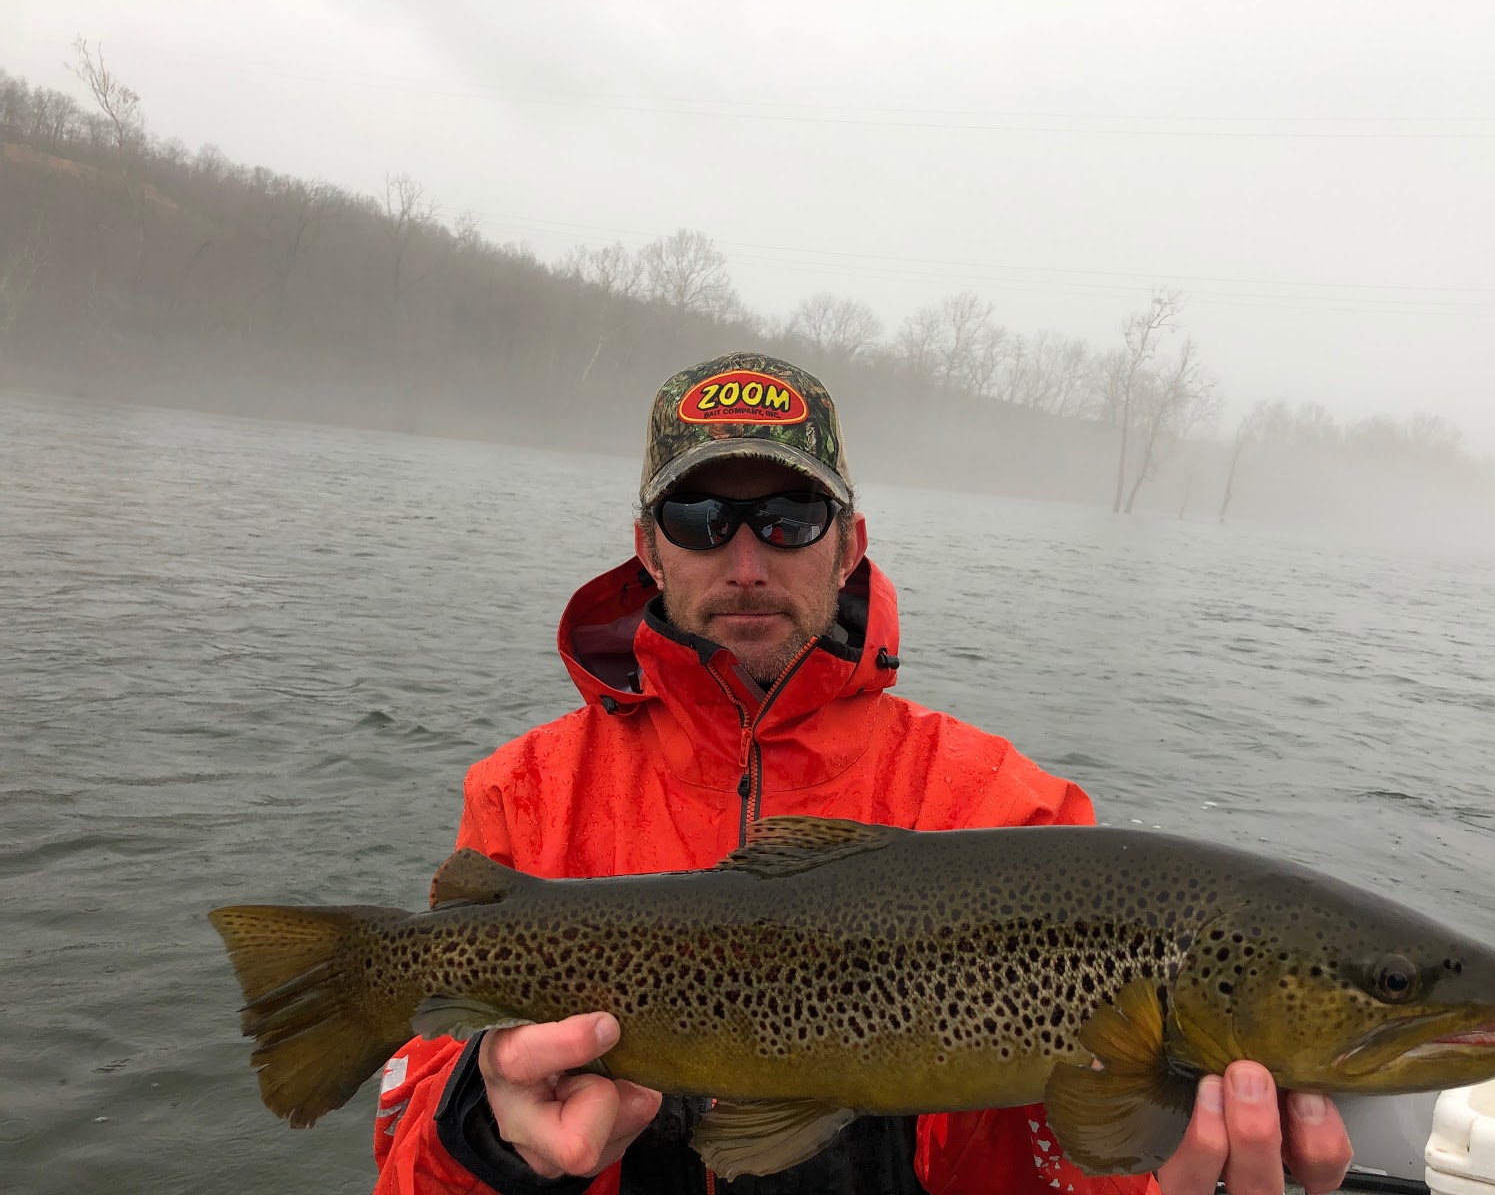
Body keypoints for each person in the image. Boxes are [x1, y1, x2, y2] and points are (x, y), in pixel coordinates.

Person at [371, 353, 1354, 1195]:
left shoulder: (1003, 811)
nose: (747, 561)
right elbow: (403, 1159)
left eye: (791, 516)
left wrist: (1134, 1167)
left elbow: (1058, 1167)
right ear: (646, 549)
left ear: (850, 546)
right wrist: (484, 1135)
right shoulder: (527, 794)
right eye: (702, 515)